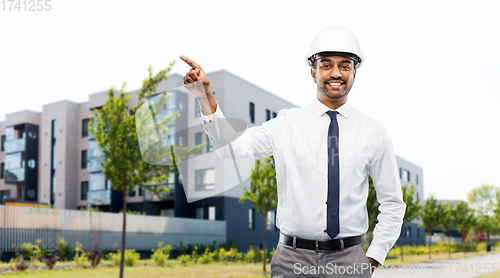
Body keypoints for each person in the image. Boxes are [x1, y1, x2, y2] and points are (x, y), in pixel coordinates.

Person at [180, 26, 406, 277]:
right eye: (326, 64)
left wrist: (373, 257)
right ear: (313, 71)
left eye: (345, 65)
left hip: (349, 258)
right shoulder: (287, 124)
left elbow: (393, 204)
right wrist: (205, 97)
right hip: (292, 260)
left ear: (355, 72)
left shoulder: (374, 132)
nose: (335, 73)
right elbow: (232, 148)